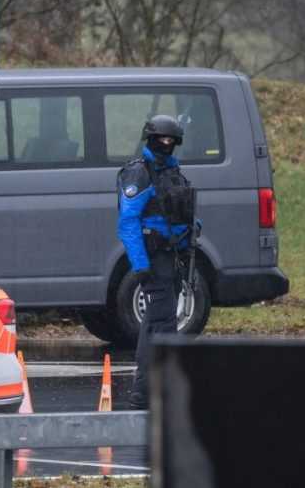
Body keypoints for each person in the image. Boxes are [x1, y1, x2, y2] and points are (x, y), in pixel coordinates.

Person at [117, 114, 193, 410]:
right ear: (150, 139)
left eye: (171, 140)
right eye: (162, 138)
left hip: (172, 257)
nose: (167, 144)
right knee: (164, 326)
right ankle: (163, 390)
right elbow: (127, 222)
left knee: (154, 326)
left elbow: (178, 214)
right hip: (152, 259)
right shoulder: (140, 173)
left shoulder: (173, 173)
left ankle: (144, 393)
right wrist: (141, 266)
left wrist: (190, 235)